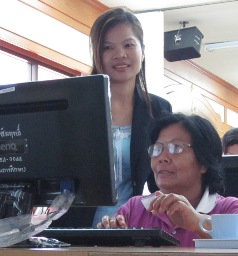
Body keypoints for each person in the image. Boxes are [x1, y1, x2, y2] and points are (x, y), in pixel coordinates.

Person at [56, 7, 172, 228]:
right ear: (97, 54)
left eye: (128, 45)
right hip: (73, 228)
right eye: (108, 47)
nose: (120, 54)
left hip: (127, 227)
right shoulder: (72, 104)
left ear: (142, 50)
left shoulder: (159, 109)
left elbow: (161, 180)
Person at [96, 113, 238, 247]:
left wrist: (197, 222)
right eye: (157, 149)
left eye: (176, 148)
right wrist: (109, 237)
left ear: (204, 162)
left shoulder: (230, 208)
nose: (162, 157)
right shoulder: (135, 208)